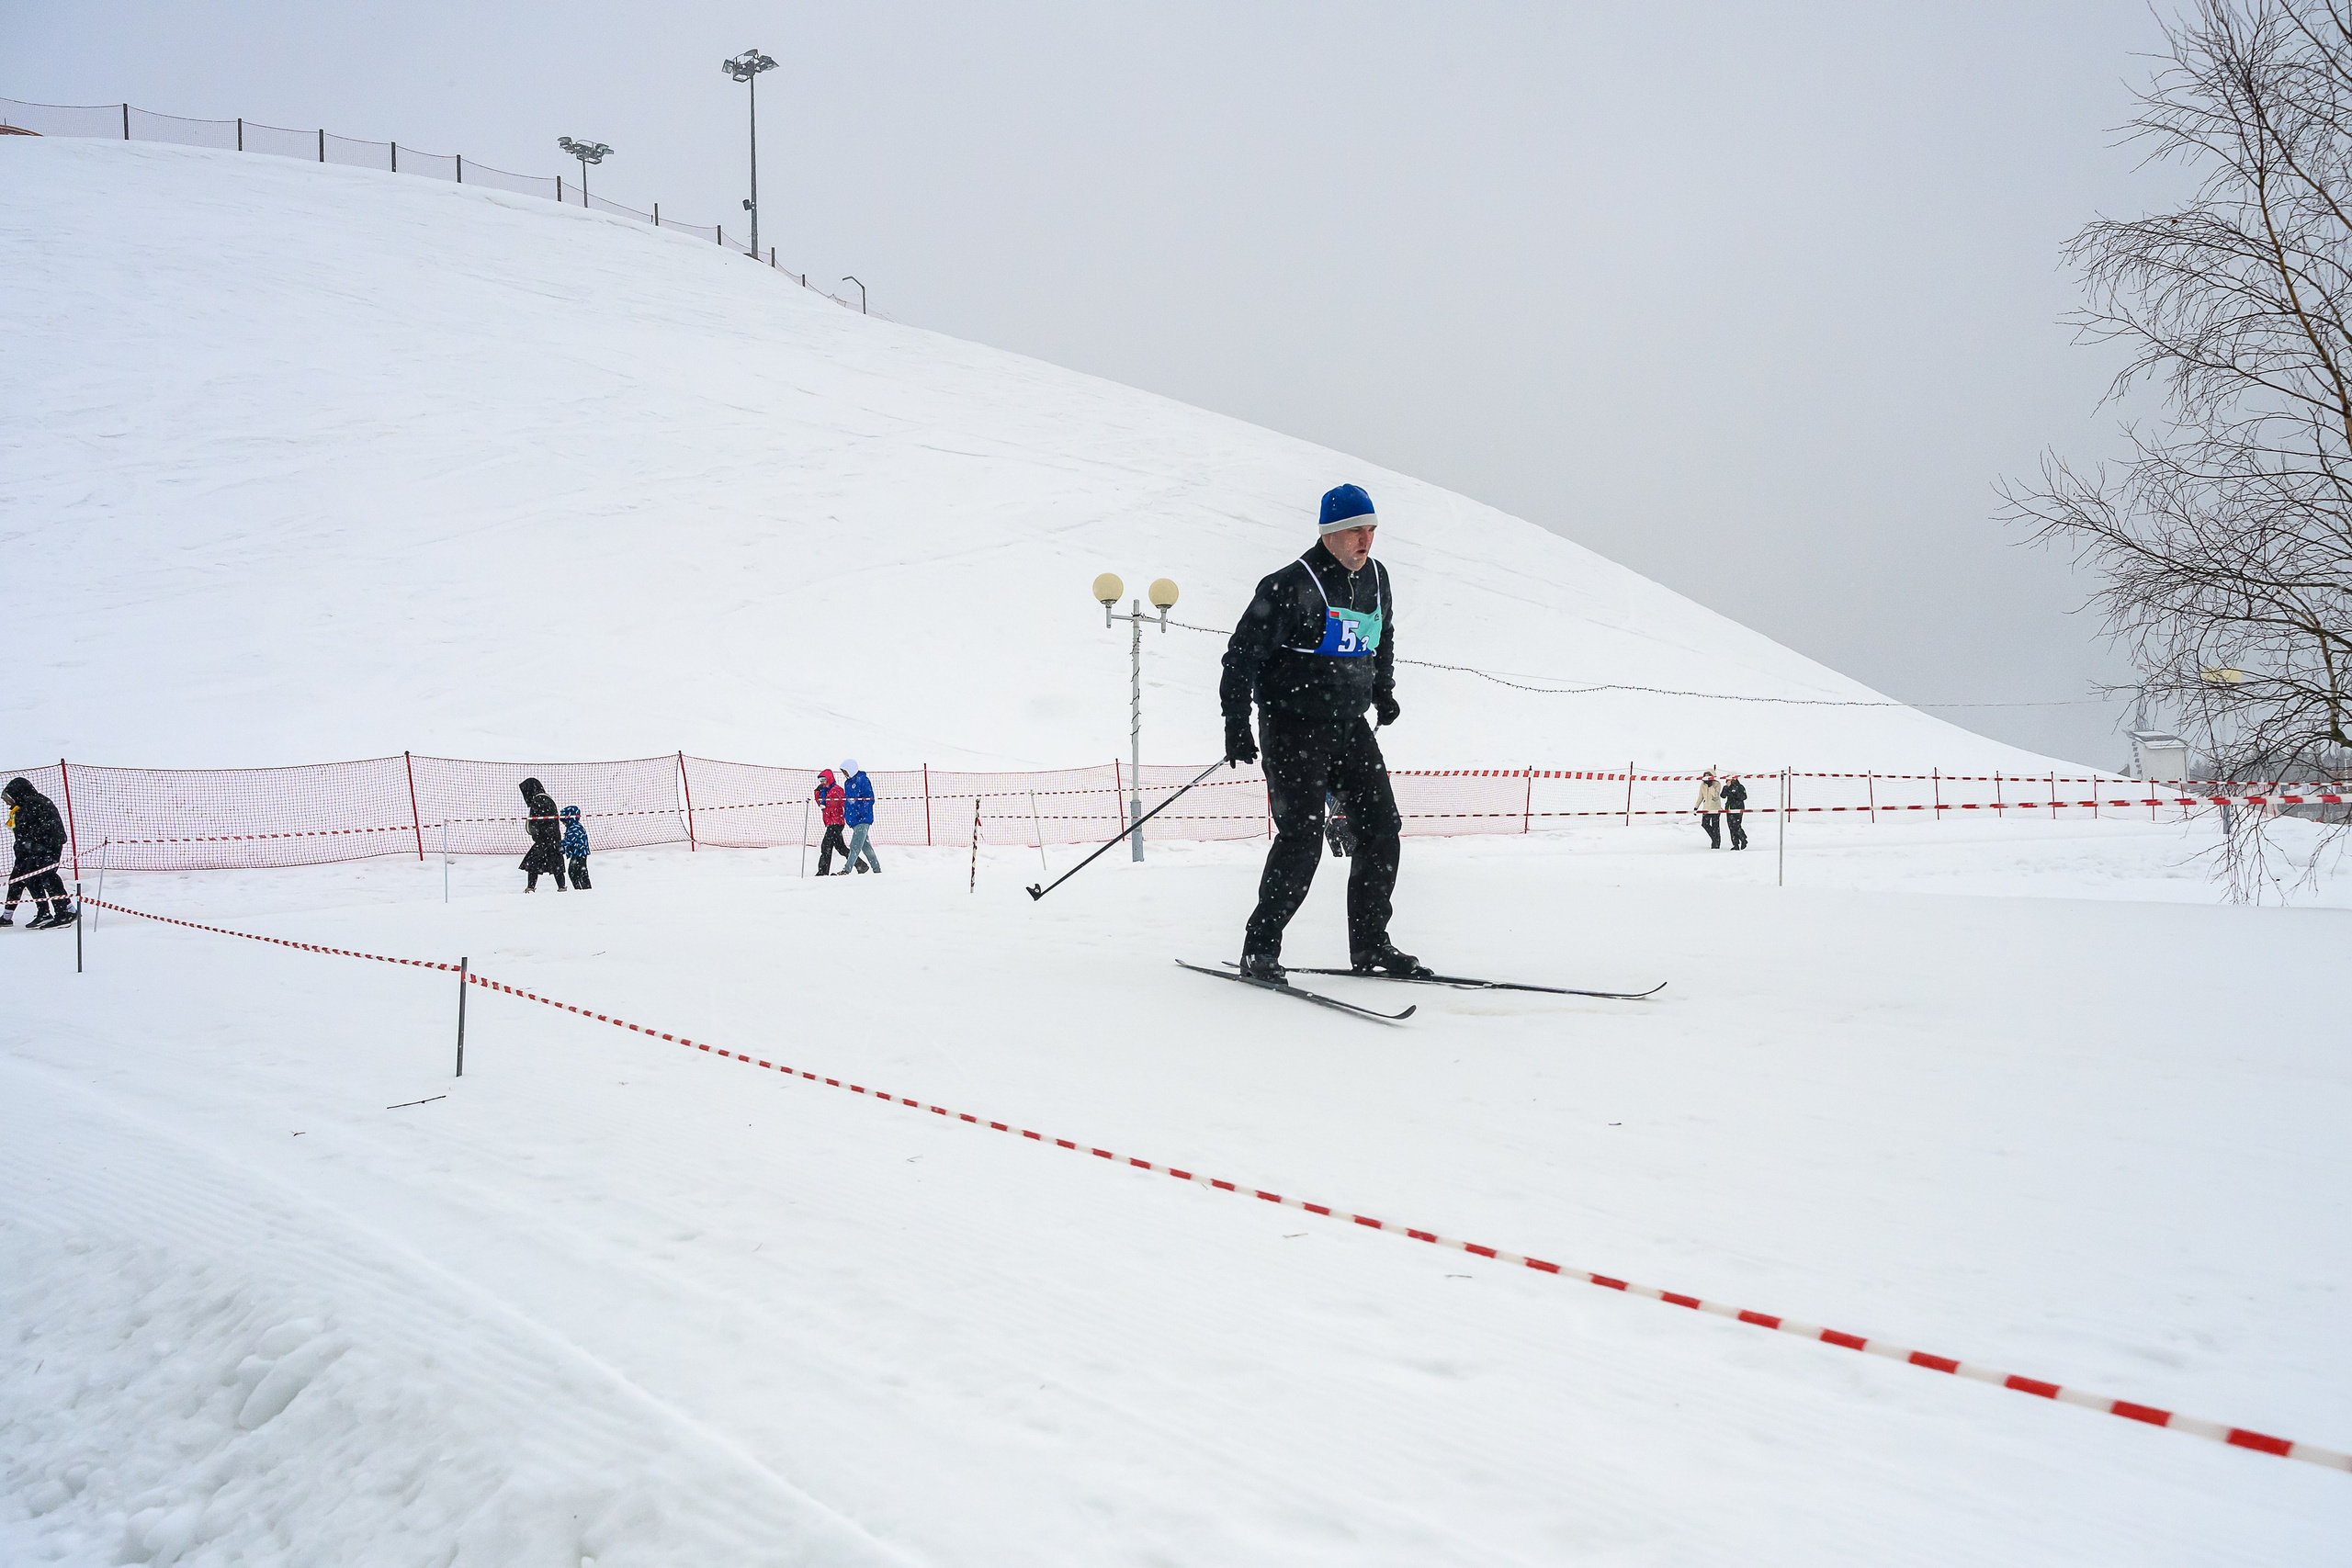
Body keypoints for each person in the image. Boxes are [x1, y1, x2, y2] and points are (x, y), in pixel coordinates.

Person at [1219, 482, 1425, 980]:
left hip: (1350, 727)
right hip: (1293, 730)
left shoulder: (1377, 578)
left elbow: (1381, 635)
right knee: (1302, 838)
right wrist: (1237, 723)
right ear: (1330, 533)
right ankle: (1260, 949)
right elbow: (1241, 656)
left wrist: (1383, 690)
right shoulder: (1288, 585)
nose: (1366, 541)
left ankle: (1372, 946)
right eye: (1356, 530)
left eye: (1372, 531)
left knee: (1382, 830)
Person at [3, 776, 72, 929]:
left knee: (45, 876)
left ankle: (63, 913)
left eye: (10, 798)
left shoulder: (33, 804)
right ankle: (54, 912)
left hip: (47, 848)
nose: (8, 802)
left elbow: (38, 830)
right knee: (31, 877)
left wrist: (32, 845)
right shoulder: (28, 805)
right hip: (40, 848)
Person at [518, 776, 566, 892]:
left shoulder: (538, 801)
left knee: (533, 863)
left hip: (544, 840)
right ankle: (561, 887)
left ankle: (530, 887)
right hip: (553, 840)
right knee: (556, 865)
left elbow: (537, 823)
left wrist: (537, 834)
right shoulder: (547, 799)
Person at [840, 760, 881, 874]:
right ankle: (877, 870)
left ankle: (846, 870)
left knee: (855, 846)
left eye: (846, 771)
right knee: (866, 847)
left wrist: (861, 812)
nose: (845, 774)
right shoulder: (847, 783)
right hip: (854, 820)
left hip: (863, 819)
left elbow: (869, 799)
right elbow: (848, 801)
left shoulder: (863, 780)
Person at [812, 768, 851, 875]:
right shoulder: (824, 791)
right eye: (821, 781)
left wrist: (849, 817)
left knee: (826, 847)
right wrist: (817, 791)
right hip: (830, 822)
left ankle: (822, 872)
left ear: (829, 778)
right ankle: (861, 865)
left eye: (824, 780)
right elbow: (820, 803)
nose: (822, 782)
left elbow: (845, 804)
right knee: (841, 848)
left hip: (836, 822)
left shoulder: (837, 790)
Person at [560, 805, 593, 889]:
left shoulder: (575, 828)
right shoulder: (572, 827)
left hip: (579, 853)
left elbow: (570, 840)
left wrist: (560, 846)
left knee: (576, 872)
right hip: (577, 853)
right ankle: (581, 888)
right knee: (576, 872)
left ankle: (583, 888)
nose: (563, 823)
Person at [1695, 768, 1724, 849]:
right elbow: (1701, 796)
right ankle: (1714, 838)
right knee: (1704, 824)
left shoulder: (1717, 784)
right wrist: (1696, 807)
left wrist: (1710, 786)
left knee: (1716, 826)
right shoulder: (1702, 785)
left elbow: (1715, 795)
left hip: (1715, 808)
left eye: (1709, 776)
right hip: (1706, 809)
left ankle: (1716, 843)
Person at [1722, 773, 1749, 850]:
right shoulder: (1726, 787)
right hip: (1729, 809)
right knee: (1731, 826)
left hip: (1738, 808)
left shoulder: (1740, 787)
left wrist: (1735, 792)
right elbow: (1722, 795)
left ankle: (1743, 839)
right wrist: (1727, 787)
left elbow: (1744, 797)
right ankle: (1735, 844)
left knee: (1736, 825)